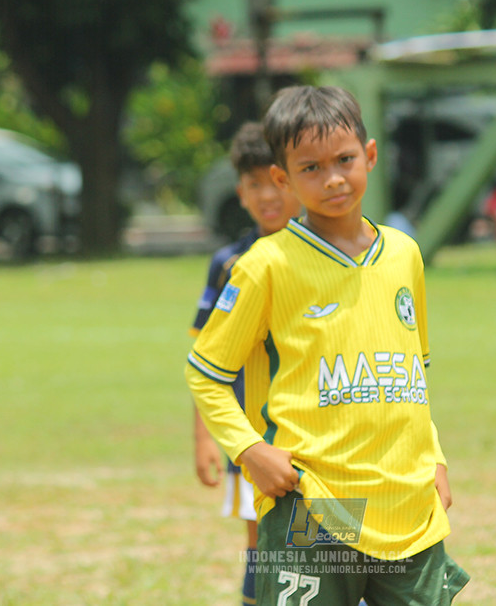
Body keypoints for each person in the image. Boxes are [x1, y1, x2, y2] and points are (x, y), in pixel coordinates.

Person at [186, 85, 469, 605]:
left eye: (344, 160)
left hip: (407, 505)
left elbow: (413, 374)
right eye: (311, 168)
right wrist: (251, 452)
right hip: (311, 505)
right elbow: (206, 372)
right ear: (282, 178)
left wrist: (435, 459)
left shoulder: (404, 254)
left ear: (371, 155)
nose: (334, 178)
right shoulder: (265, 265)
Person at [189, 121, 302, 606]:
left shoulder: (319, 254)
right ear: (240, 193)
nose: (265, 195)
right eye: (252, 184)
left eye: (273, 181)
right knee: (261, 544)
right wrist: (202, 438)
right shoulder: (229, 262)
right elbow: (205, 361)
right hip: (251, 437)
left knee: (326, 549)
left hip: (312, 432)